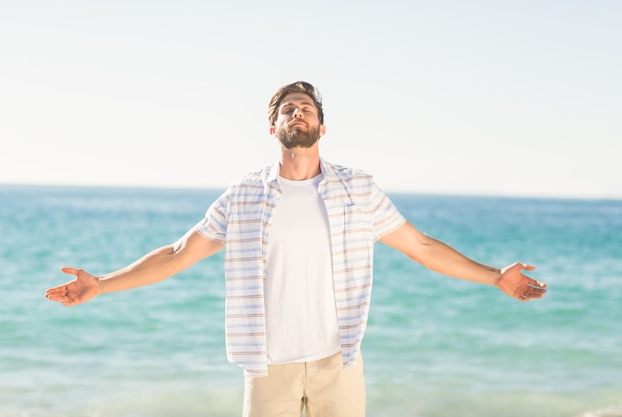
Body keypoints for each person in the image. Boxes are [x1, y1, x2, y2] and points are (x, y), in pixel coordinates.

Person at [45, 81, 547, 417]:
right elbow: (179, 253)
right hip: (268, 366)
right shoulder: (243, 195)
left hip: (339, 361)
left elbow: (420, 246)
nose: (297, 111)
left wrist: (494, 275)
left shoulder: (358, 189)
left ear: (322, 127)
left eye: (306, 107)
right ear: (274, 129)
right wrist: (103, 284)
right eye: (287, 108)